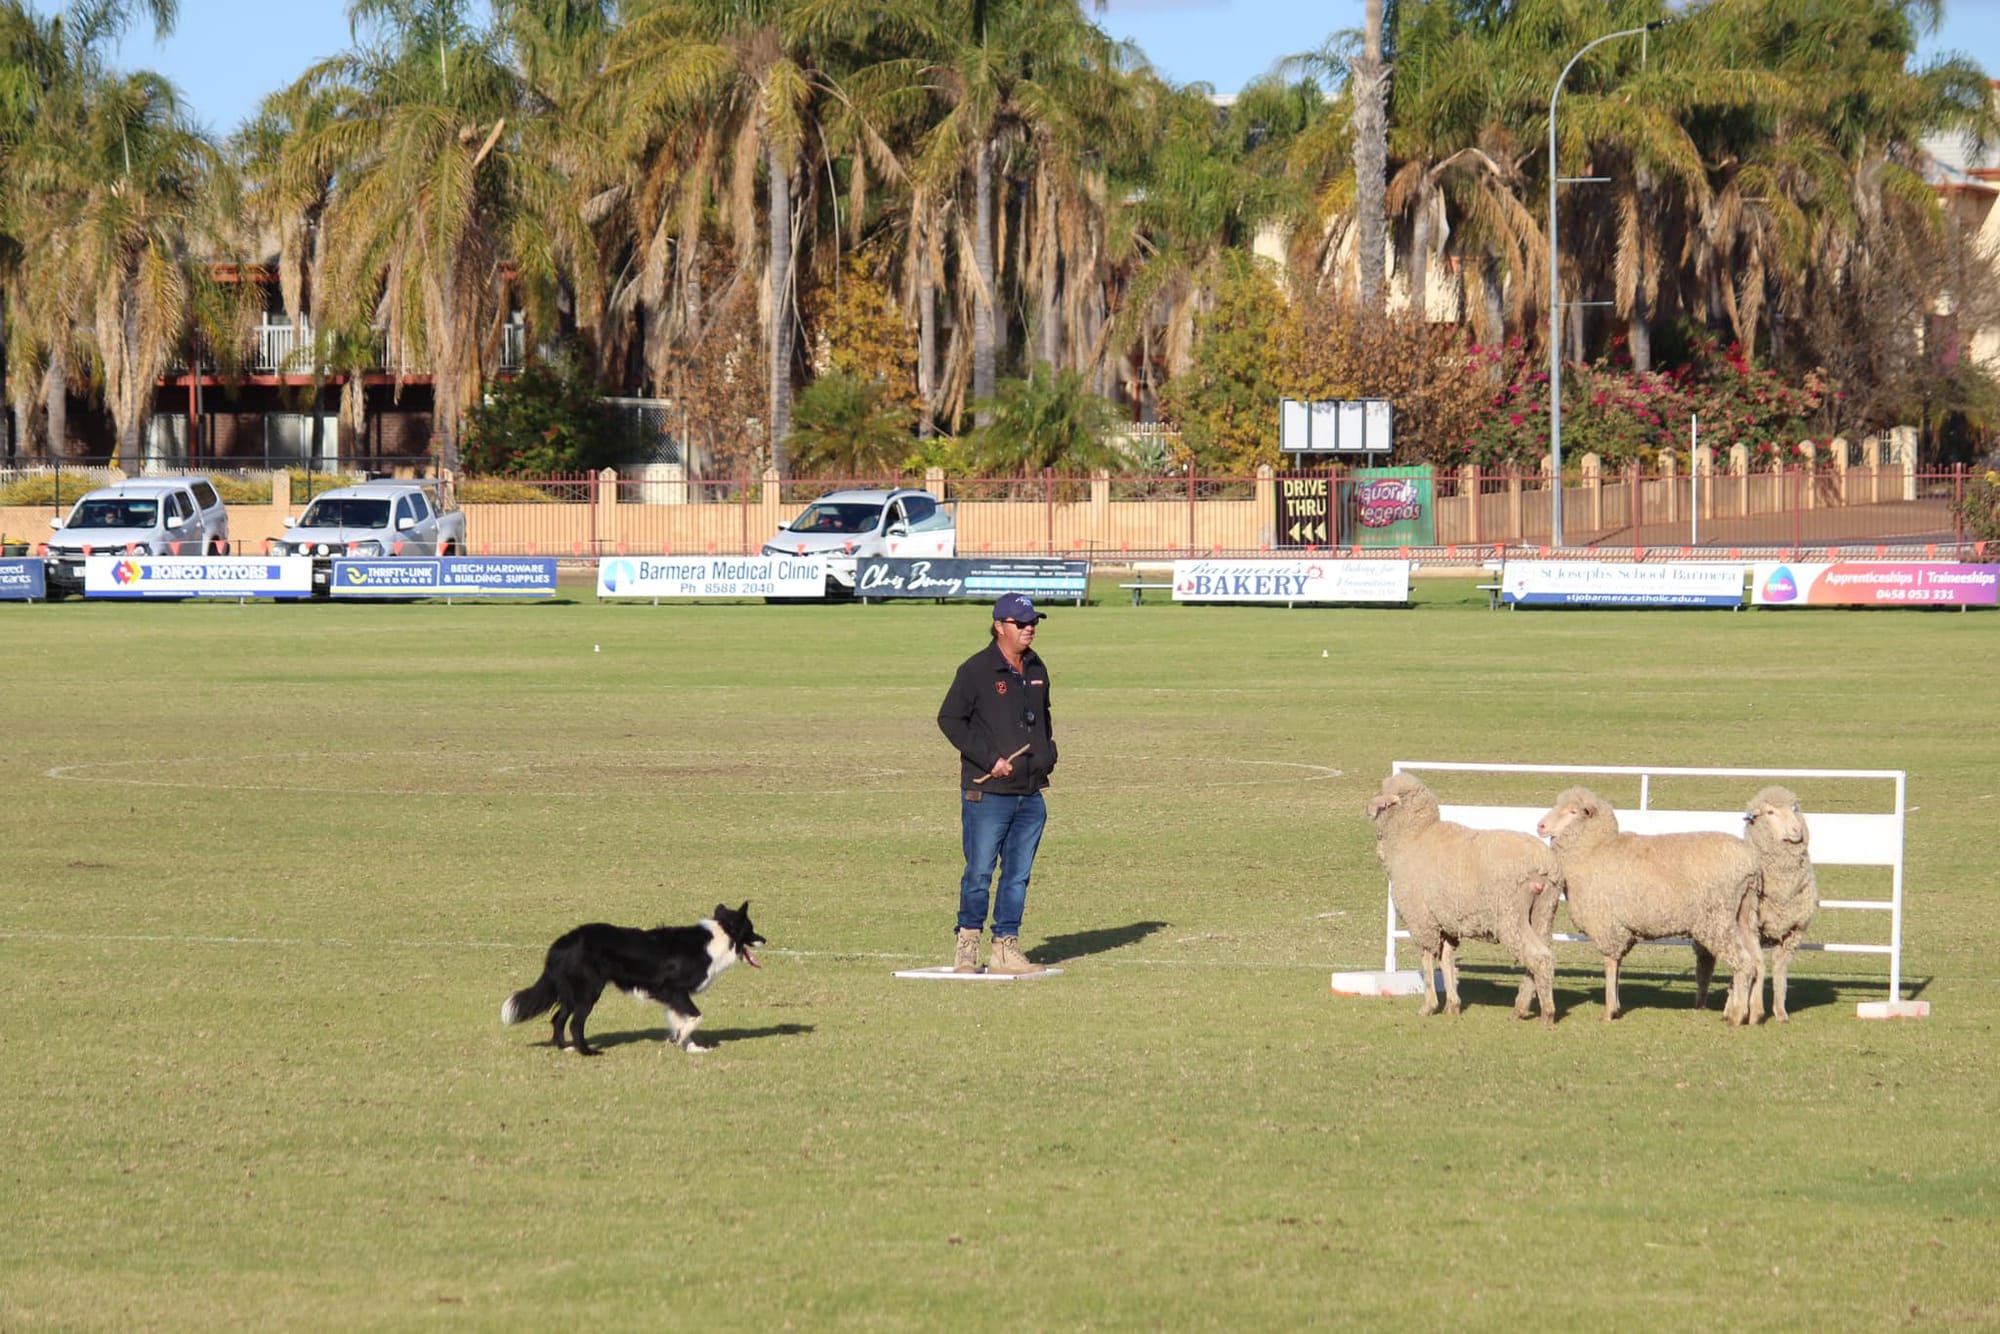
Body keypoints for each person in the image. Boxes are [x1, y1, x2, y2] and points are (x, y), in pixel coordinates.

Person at [936, 591, 1058, 974]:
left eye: (1033, 622)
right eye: (1020, 623)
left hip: (1030, 794)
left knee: (1017, 877)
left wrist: (1048, 754)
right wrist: (990, 759)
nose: (1029, 628)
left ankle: (1006, 947)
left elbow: (1043, 718)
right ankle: (967, 945)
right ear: (999, 626)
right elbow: (949, 719)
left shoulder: (1036, 667)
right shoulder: (975, 670)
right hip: (987, 793)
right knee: (979, 873)